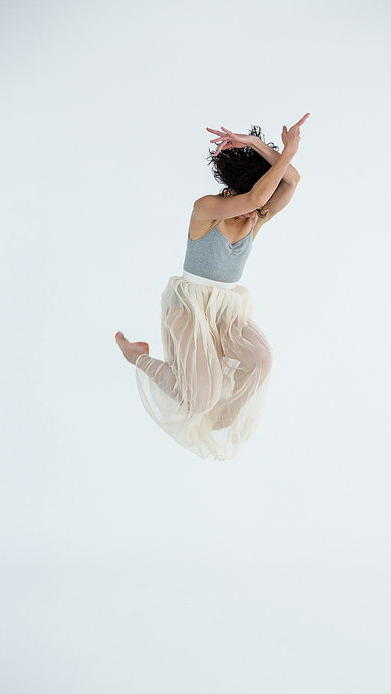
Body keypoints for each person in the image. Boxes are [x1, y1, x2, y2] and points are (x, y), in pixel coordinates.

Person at [115, 113, 309, 461]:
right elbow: (254, 199)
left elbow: (291, 183)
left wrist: (254, 143)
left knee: (262, 359)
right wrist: (287, 153)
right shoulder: (207, 209)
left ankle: (205, 406)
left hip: (226, 307)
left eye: (263, 203)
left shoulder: (257, 214)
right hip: (188, 306)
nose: (259, 210)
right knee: (198, 401)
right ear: (234, 189)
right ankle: (137, 356)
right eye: (256, 198)